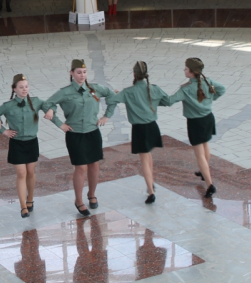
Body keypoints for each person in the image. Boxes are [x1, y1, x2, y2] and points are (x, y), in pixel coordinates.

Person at [44, 59, 115, 217]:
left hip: (93, 132)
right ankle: (79, 200)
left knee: (94, 165)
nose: (82, 75)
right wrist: (58, 121)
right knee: (81, 167)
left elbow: (113, 96)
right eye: (78, 72)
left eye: (84, 72)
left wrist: (107, 116)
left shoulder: (95, 89)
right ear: (71, 73)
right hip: (75, 134)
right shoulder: (65, 92)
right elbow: (47, 104)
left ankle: (92, 194)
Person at [105, 61, 170, 203]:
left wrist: (115, 93)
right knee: (148, 155)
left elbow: (111, 100)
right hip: (153, 126)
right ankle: (151, 182)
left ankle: (151, 192)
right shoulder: (154, 88)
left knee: (144, 160)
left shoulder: (128, 92)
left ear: (134, 74)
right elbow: (167, 101)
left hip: (139, 129)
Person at [163, 57, 226, 198]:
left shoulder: (185, 89)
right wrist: (211, 99)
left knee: (199, 154)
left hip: (195, 123)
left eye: (186, 68)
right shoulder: (208, 81)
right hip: (208, 118)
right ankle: (204, 172)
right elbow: (222, 89)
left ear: (191, 72)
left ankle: (210, 184)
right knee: (205, 145)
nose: (184, 70)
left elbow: (169, 101)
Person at [0, 74, 49, 218]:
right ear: (14, 89)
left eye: (26, 87)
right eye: (21, 87)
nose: (24, 89)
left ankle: (30, 199)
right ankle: (23, 206)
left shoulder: (36, 102)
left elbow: (49, 105)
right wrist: (3, 130)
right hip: (16, 143)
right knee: (21, 173)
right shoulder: (8, 105)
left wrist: (51, 110)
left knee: (31, 172)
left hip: (32, 142)